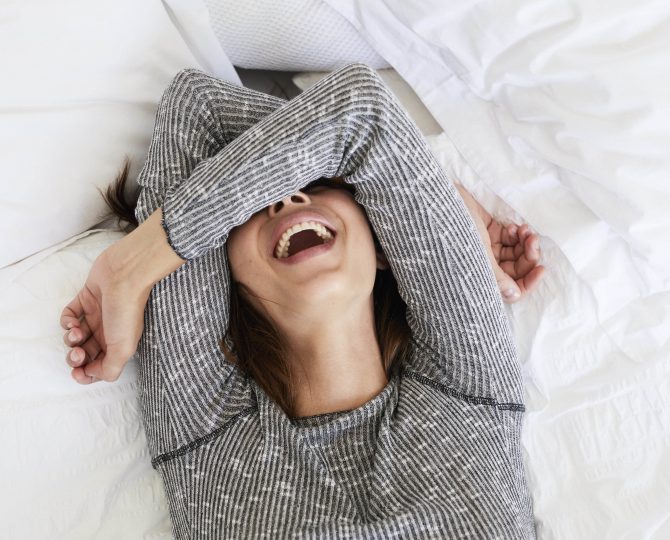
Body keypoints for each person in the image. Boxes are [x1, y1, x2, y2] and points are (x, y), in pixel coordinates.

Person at [60, 63, 544, 538]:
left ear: (383, 247)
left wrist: (132, 265)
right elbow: (198, 112)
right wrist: (417, 185)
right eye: (251, 204)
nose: (287, 199)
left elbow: (361, 116)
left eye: (319, 185)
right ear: (222, 273)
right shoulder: (206, 428)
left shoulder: (465, 381)